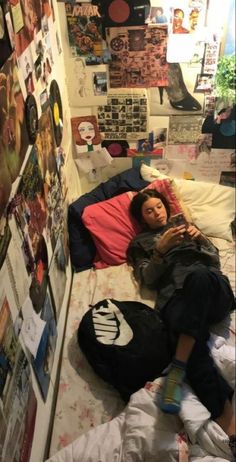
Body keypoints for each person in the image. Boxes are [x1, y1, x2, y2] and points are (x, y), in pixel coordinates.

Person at [127, 189, 236, 458]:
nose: (157, 213)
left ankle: (178, 366)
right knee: (194, 352)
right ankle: (232, 433)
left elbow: (215, 260)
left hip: (213, 289)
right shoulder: (139, 243)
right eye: (149, 211)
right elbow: (148, 280)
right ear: (142, 219)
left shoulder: (186, 225)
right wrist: (160, 251)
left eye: (159, 207)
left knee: (199, 276)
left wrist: (203, 240)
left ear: (166, 206)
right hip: (175, 299)